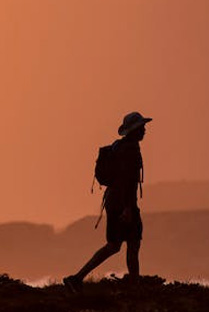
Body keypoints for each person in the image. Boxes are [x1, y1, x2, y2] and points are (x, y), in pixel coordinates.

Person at [64, 111, 151, 292]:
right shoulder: (131, 151)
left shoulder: (118, 147)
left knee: (115, 245)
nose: (144, 130)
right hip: (124, 204)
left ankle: (78, 278)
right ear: (134, 130)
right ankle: (134, 287)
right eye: (142, 127)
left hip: (113, 201)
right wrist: (128, 208)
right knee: (131, 243)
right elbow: (129, 182)